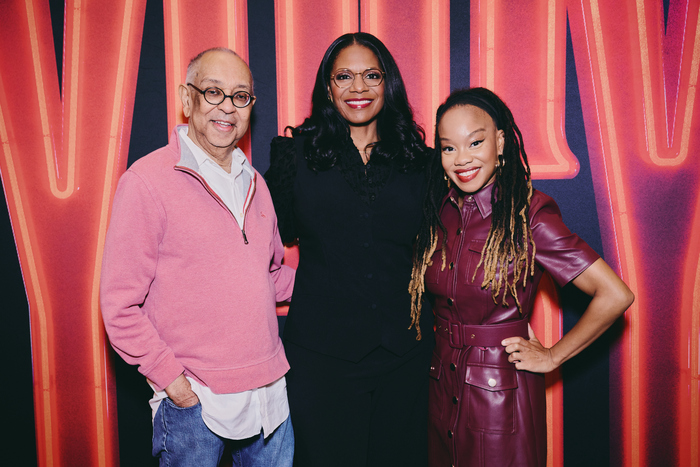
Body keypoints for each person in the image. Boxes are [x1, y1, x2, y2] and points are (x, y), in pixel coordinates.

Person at [408, 87, 634, 467]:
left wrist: (552, 356)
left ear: (500, 142)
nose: (461, 159)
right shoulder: (439, 212)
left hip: (499, 395)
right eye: (448, 148)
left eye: (475, 142)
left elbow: (615, 295)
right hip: (440, 385)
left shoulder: (528, 215)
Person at [100, 48, 295, 467]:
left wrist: (332, 283)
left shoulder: (256, 182)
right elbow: (119, 305)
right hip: (196, 401)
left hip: (268, 397)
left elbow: (270, 274)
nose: (227, 106)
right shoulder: (146, 182)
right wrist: (171, 380)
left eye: (240, 96)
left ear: (251, 108)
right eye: (213, 92)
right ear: (187, 99)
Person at [264, 32, 433, 466]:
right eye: (344, 76)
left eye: (371, 75)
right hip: (321, 360)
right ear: (327, 86)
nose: (358, 88)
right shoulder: (293, 156)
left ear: (388, 83)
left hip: (406, 354)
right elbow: (256, 246)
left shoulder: (422, 161)